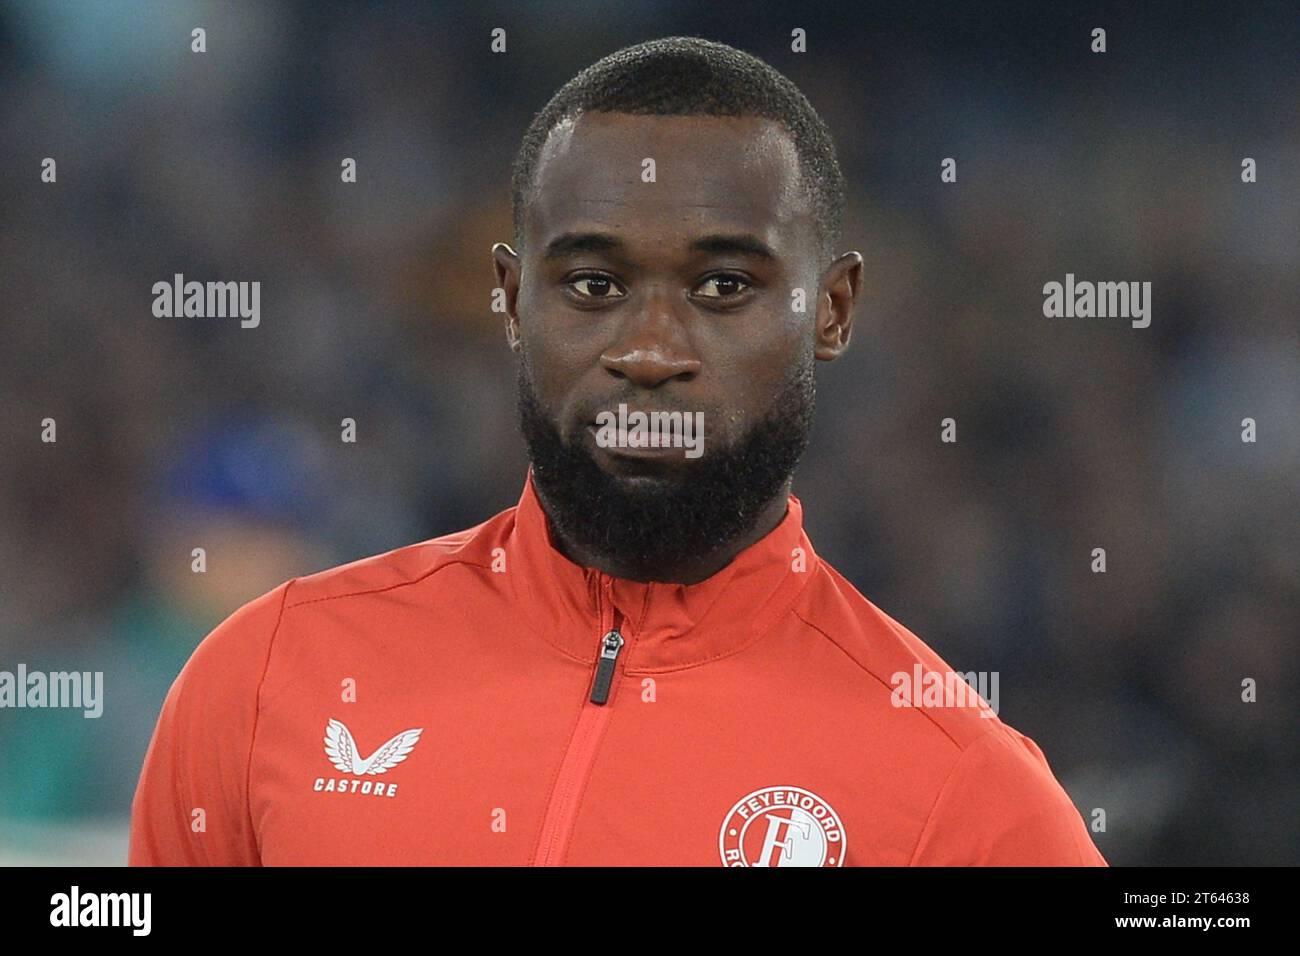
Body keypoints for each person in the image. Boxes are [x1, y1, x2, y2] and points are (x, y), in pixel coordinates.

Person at [129, 36, 1106, 866]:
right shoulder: (264, 679)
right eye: (593, 284)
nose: (649, 350)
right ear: (512, 299)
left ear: (832, 309)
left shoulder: (969, 794)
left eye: (723, 286)